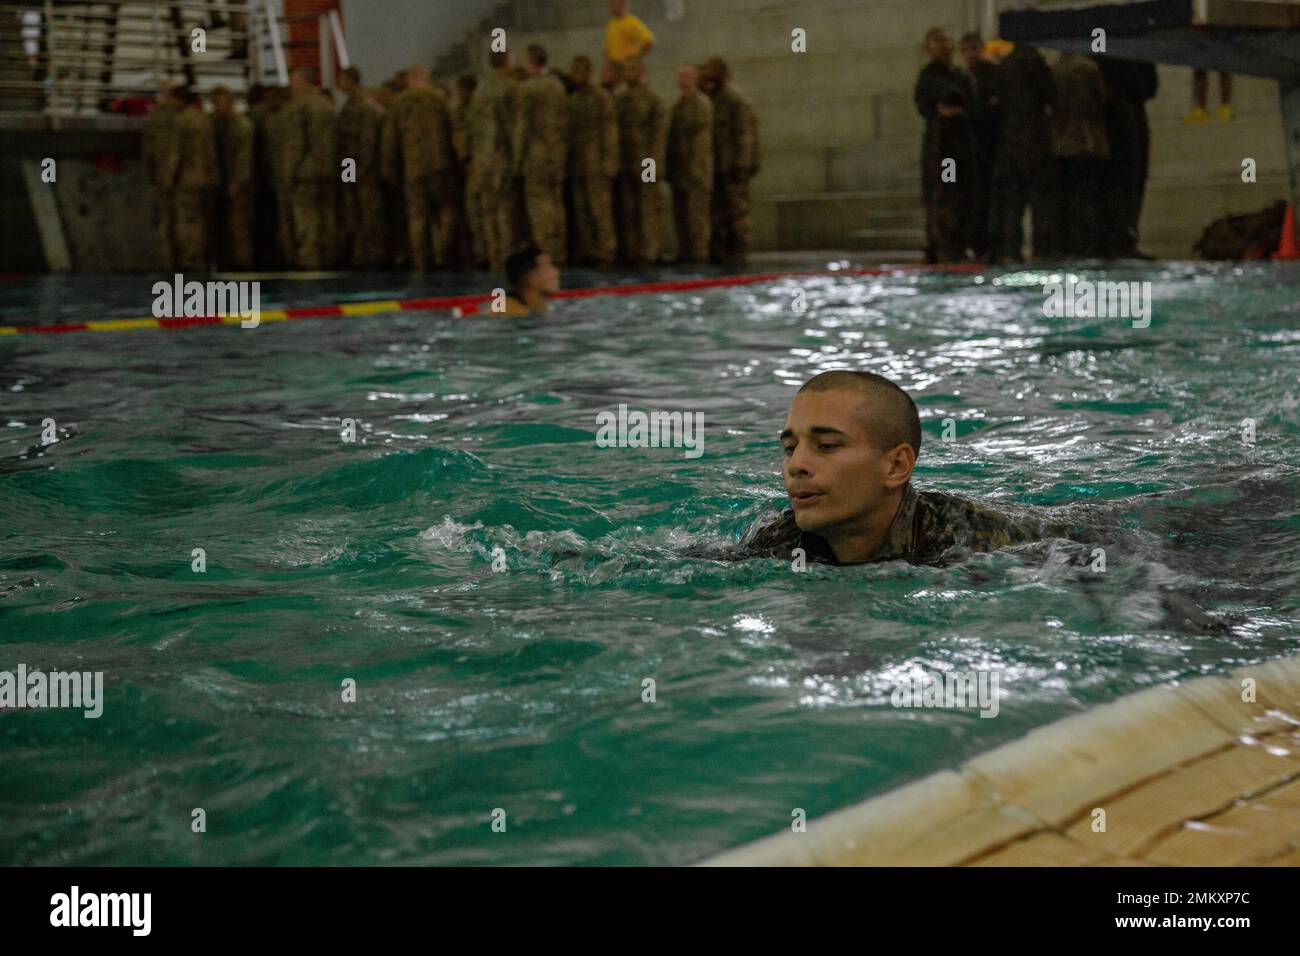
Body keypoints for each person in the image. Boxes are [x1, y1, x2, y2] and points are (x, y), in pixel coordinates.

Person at [736, 371, 1072, 565]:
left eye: (827, 446)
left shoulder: (975, 543)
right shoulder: (779, 539)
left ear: (896, 466)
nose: (796, 465)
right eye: (789, 449)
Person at [382, 63, 457, 271]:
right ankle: (444, 255)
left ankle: (421, 261)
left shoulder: (399, 103)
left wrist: (389, 170)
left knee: (417, 215)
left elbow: (390, 141)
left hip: (413, 167)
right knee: (445, 211)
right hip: (440, 165)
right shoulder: (439, 100)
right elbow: (454, 133)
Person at [913, 28, 977, 263]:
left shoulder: (957, 75)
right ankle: (944, 246)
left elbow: (967, 102)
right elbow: (933, 102)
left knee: (961, 198)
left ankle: (956, 244)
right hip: (943, 152)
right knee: (944, 198)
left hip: (959, 149)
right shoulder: (929, 77)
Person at [990, 41, 1054, 262]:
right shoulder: (1036, 63)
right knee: (1040, 201)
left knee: (1013, 203)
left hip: (1010, 142)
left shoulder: (1004, 66)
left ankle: (1011, 250)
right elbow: (1051, 96)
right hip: (1035, 141)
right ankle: (1042, 250)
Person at [1093, 56, 1157, 258]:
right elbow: (1150, 86)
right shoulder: (1134, 53)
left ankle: (1111, 239)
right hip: (1127, 120)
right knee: (1128, 184)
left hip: (1111, 120)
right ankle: (1122, 238)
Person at [1046, 51, 1108, 258]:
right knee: (1086, 197)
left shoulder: (1053, 70)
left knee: (1064, 199)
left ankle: (1065, 245)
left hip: (1060, 142)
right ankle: (1086, 245)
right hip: (1086, 141)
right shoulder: (1088, 68)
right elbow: (1101, 100)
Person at [514, 44, 570, 266]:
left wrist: (517, 160)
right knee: (557, 204)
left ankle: (546, 254)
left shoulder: (528, 89)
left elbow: (522, 127)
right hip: (557, 154)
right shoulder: (557, 86)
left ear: (530, 61)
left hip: (536, 156)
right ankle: (560, 251)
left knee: (540, 207)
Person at [700, 56, 758, 266]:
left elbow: (744, 135)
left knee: (737, 213)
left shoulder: (735, 99)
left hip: (733, 167)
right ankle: (721, 252)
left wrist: (741, 165)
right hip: (716, 167)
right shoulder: (712, 98)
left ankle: (739, 253)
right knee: (717, 214)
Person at [470, 49, 523, 271]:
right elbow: (516, 127)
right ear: (508, 61)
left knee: (488, 210)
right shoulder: (511, 88)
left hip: (483, 159)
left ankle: (493, 257)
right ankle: (508, 257)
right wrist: (519, 159)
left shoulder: (480, 90)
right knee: (505, 210)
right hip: (502, 156)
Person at [282, 66, 338, 270]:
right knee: (327, 218)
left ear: (300, 82)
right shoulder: (327, 105)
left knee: (306, 220)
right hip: (327, 171)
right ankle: (330, 260)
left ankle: (310, 263)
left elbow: (295, 144)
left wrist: (288, 175)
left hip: (304, 174)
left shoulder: (299, 106)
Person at [567, 55, 619, 267]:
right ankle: (588, 251)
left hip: (597, 163)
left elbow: (609, 132)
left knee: (601, 212)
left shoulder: (601, 98)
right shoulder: (573, 100)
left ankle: (606, 253)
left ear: (589, 73)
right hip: (579, 164)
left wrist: (609, 161)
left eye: (580, 71)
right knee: (582, 210)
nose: (576, 76)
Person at [615, 56, 667, 266]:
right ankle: (632, 250)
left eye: (633, 70)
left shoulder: (652, 99)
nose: (629, 74)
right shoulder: (620, 99)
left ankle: (649, 252)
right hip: (626, 161)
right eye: (626, 70)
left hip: (646, 160)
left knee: (647, 209)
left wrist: (652, 165)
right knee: (628, 208)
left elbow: (658, 135)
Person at [161, 86, 219, 273]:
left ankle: (191, 260)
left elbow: (175, 155)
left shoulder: (181, 120)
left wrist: (168, 180)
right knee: (204, 221)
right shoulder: (203, 118)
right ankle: (205, 259)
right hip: (206, 177)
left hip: (187, 179)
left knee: (187, 222)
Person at [336, 66, 387, 269]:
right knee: (354, 211)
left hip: (361, 169)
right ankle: (360, 253)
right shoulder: (349, 105)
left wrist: (360, 170)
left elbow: (366, 141)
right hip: (351, 166)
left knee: (368, 212)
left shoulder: (362, 106)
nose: (339, 84)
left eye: (342, 79)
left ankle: (374, 255)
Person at [667, 62, 713, 264]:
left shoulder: (701, 104)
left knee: (697, 216)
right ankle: (685, 252)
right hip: (681, 170)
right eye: (680, 76)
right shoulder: (678, 106)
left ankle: (699, 254)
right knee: (682, 215)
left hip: (697, 170)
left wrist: (697, 170)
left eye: (686, 76)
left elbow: (701, 142)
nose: (682, 80)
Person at [958, 32, 998, 260]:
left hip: (990, 144)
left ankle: (989, 243)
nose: (969, 55)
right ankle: (976, 243)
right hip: (969, 147)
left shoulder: (992, 75)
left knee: (989, 196)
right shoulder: (962, 79)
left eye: (973, 49)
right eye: (965, 51)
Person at [210, 86, 254, 271]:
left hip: (239, 182)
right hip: (222, 179)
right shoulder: (218, 124)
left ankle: (241, 263)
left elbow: (244, 158)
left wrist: (237, 182)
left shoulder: (241, 126)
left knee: (239, 226)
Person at [143, 79, 181, 271]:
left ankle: (172, 263)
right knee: (179, 223)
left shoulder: (159, 117)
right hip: (178, 178)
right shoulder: (181, 116)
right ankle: (183, 264)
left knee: (170, 223)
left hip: (171, 177)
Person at [498, 246, 559, 317]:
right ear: (528, 278)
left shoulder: (538, 306)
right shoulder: (511, 310)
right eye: (547, 267)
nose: (556, 272)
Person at [604, 0, 654, 68]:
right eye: (611, 4)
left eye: (614, 4)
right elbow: (607, 48)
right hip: (615, 67)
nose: (611, 7)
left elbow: (649, 41)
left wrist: (636, 60)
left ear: (623, 5)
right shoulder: (612, 24)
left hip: (627, 68)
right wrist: (607, 64)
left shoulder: (631, 22)